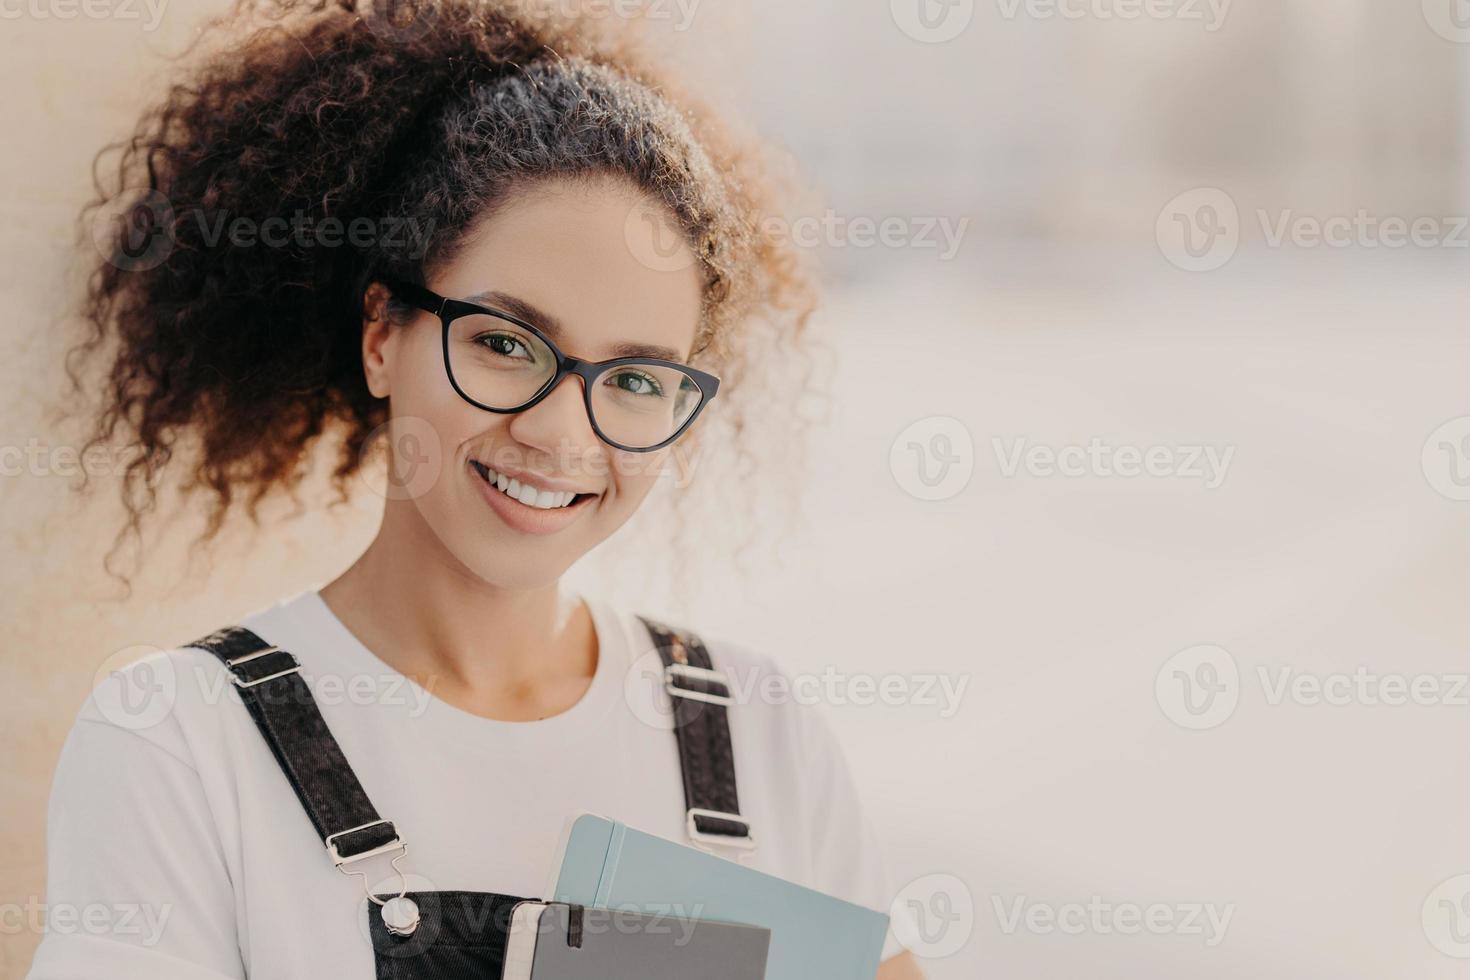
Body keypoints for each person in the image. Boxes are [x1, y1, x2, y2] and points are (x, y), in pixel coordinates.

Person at [30, 1, 923, 977]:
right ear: (383, 334)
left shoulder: (763, 730)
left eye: (632, 379)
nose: (559, 431)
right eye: (504, 342)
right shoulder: (178, 742)